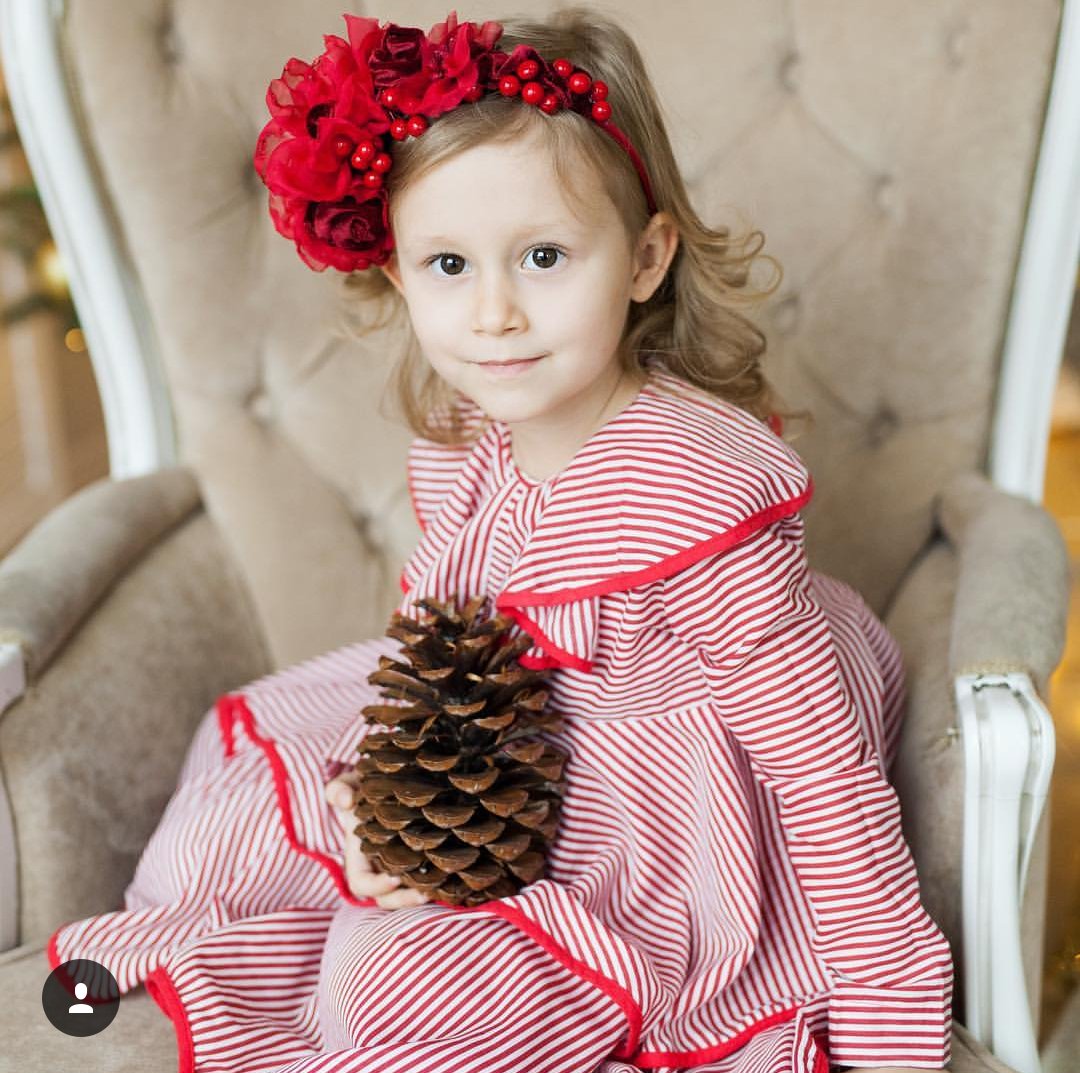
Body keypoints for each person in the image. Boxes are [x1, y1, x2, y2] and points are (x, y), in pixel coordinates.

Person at [46, 8, 954, 1073]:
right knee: (246, 782)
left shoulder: (695, 498)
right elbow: (437, 657)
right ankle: (228, 929)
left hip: (663, 836)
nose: (493, 314)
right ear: (395, 272)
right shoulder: (472, 446)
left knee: (391, 994)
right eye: (446, 264)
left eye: (541, 255)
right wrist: (391, 803)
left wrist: (894, 1010)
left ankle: (461, 979)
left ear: (646, 257)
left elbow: (822, 776)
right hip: (509, 762)